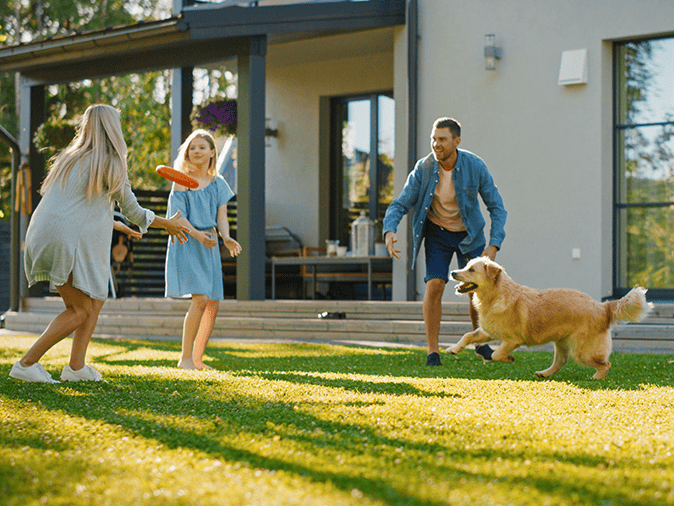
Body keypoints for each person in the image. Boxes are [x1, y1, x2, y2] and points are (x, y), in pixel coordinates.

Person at [9, 104, 189, 383]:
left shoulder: (69, 158)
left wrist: (114, 223)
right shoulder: (111, 162)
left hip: (42, 233)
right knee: (80, 310)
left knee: (96, 299)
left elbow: (77, 205)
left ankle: (76, 368)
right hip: (65, 239)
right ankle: (26, 364)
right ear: (113, 129)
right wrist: (168, 223)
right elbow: (136, 212)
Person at [382, 117, 507, 366]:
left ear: (456, 141)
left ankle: (481, 344)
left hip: (469, 233)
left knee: (477, 289)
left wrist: (493, 244)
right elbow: (401, 203)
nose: (436, 144)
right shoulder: (424, 168)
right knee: (435, 285)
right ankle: (432, 351)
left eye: (442, 139)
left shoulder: (474, 166)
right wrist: (389, 229)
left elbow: (497, 207)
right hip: (438, 233)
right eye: (433, 139)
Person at [164, 129, 241, 370]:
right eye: (192, 147)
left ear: (211, 152)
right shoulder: (181, 181)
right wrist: (197, 234)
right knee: (200, 299)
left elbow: (222, 217)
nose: (196, 151)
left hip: (209, 243)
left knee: (212, 304)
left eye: (201, 147)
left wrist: (226, 238)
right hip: (188, 241)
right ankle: (185, 358)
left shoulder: (218, 183)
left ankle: (197, 359)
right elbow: (177, 217)